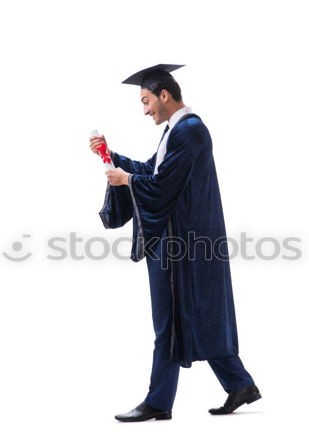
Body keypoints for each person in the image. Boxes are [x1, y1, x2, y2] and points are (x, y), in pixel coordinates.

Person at [90, 64, 262, 422]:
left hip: (181, 243)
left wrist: (128, 180)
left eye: (147, 100)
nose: (145, 109)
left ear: (164, 95)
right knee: (199, 311)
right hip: (185, 239)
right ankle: (240, 384)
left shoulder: (191, 131)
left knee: (170, 319)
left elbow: (162, 186)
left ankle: (158, 401)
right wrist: (110, 156)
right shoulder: (177, 130)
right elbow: (153, 172)